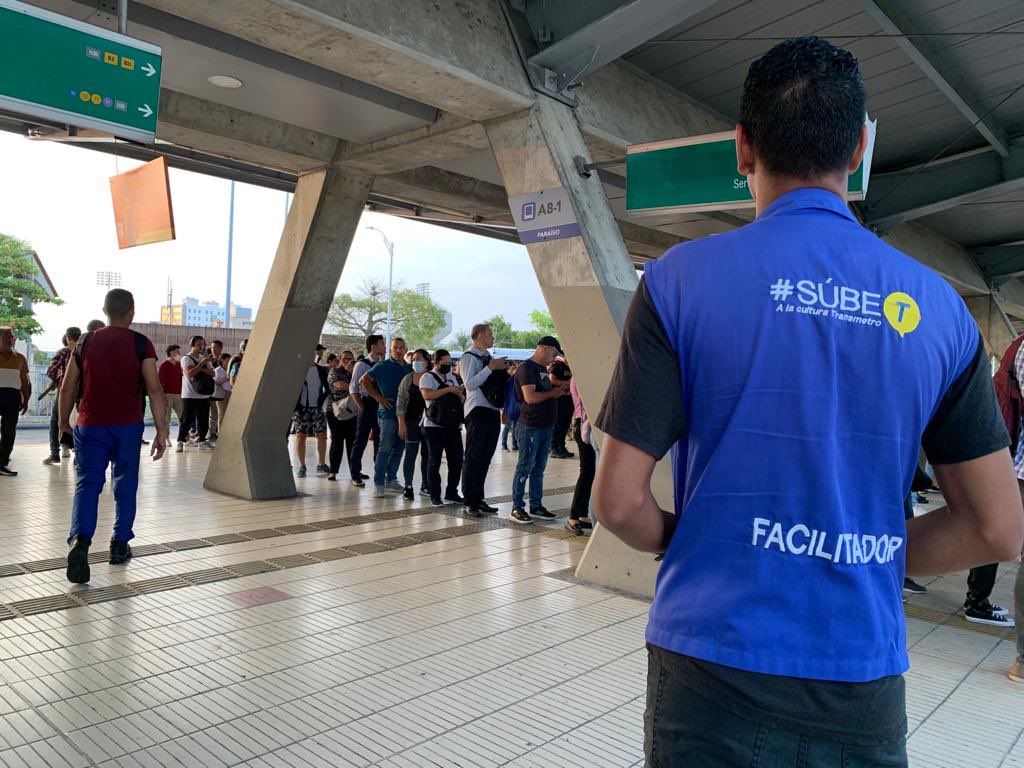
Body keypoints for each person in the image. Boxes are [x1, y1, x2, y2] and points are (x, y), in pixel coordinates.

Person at [591, 37, 1024, 767]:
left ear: (742, 147)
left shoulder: (678, 281)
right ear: (858, 148)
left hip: (710, 661)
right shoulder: (939, 310)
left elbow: (616, 503)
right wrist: (869, 556)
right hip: (859, 673)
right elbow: (998, 528)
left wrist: (694, 537)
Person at [58, 289, 169, 583]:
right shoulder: (140, 344)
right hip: (127, 427)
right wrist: (161, 430)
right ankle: (119, 545)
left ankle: (79, 541)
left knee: (88, 484)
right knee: (125, 484)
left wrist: (62, 424)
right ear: (131, 311)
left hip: (90, 424)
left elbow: (68, 387)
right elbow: (154, 390)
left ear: (104, 310)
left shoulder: (84, 341)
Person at [510, 337, 566, 524]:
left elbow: (544, 392)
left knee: (538, 469)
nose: (554, 358)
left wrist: (558, 390)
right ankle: (517, 507)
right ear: (543, 348)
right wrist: (554, 393)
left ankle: (536, 505)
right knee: (524, 467)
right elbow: (530, 397)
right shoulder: (527, 368)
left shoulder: (542, 369)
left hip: (545, 426)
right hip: (530, 426)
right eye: (553, 353)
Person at [459, 324, 507, 516]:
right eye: (489, 335)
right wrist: (490, 368)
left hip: (492, 409)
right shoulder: (468, 357)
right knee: (473, 456)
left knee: (486, 456)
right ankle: (469, 500)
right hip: (477, 409)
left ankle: (479, 498)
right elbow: (470, 384)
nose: (492, 338)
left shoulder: (489, 358)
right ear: (479, 336)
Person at [360, 337, 412, 497]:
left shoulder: (410, 368)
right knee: (385, 448)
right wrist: (378, 397)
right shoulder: (382, 366)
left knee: (398, 449)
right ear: (390, 349)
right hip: (388, 413)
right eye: (396, 347)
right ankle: (379, 483)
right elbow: (364, 381)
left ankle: (392, 479)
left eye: (402, 347)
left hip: (405, 415)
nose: (399, 350)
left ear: (405, 349)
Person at [420, 349, 465, 508]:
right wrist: (449, 389)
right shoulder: (427, 377)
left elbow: (459, 397)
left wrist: (460, 395)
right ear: (435, 362)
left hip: (452, 425)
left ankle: (452, 491)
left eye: (449, 363)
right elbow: (427, 395)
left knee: (457, 459)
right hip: (434, 426)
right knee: (434, 461)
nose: (447, 366)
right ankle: (434, 494)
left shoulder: (453, 377)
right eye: (444, 364)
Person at [42, 326, 82, 464]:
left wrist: (58, 378)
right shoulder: (84, 350)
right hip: (81, 392)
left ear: (68, 338)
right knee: (78, 423)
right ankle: (78, 456)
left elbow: (51, 370)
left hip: (65, 391)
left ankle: (55, 453)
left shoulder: (65, 351)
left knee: (56, 422)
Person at [396, 348, 432, 500]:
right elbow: (401, 403)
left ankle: (426, 485)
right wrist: (401, 423)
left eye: (420, 359)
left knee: (427, 455)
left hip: (429, 423)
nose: (416, 362)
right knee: (410, 454)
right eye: (414, 359)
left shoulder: (432, 378)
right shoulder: (408, 379)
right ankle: (408, 486)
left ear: (427, 360)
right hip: (411, 423)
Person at [349, 335, 384, 488]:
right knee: (361, 441)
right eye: (382, 344)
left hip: (380, 405)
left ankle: (379, 472)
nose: (384, 346)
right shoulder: (362, 364)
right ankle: (355, 474)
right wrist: (362, 407)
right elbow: (353, 389)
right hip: (367, 404)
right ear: (373, 346)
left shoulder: (382, 364)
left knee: (380, 440)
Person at [291, 353, 329, 477]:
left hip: (316, 407)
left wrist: (321, 401)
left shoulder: (321, 370)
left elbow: (327, 387)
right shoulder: (297, 370)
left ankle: (321, 464)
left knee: (322, 435)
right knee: (300, 436)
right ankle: (302, 466)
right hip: (301, 409)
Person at [566, 374, 595, 536]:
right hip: (583, 426)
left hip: (584, 426)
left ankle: (582, 514)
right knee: (587, 472)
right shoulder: (579, 378)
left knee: (590, 472)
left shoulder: (579, 377)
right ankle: (574, 515)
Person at [0, 327, 30, 477]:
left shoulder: (20, 358)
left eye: (11, 337)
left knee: (9, 432)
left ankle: (2, 462)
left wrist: (26, 399)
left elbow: (24, 380)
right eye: (6, 336)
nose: (10, 339)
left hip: (12, 397)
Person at [177, 335, 215, 452]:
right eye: (198, 344)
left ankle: (202, 440)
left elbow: (213, 373)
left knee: (203, 419)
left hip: (204, 394)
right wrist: (202, 364)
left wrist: (202, 366)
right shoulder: (186, 359)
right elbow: (190, 373)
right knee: (186, 419)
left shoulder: (204, 358)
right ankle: (181, 441)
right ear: (192, 344)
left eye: (202, 344)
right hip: (189, 395)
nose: (201, 346)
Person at [325, 351, 358, 482]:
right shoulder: (334, 372)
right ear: (339, 359)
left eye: (350, 359)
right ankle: (333, 471)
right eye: (344, 359)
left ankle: (355, 471)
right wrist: (354, 383)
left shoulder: (355, 372)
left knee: (352, 443)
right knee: (336, 442)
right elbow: (341, 386)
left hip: (352, 412)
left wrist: (351, 373)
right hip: (336, 412)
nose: (347, 361)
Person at [549, 359, 575, 460]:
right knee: (557, 424)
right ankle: (554, 448)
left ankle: (561, 447)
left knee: (565, 424)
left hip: (568, 399)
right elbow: (551, 379)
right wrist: (567, 383)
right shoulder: (558, 366)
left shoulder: (571, 367)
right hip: (559, 400)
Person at [158, 344, 184, 433]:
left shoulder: (180, 365)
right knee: (166, 418)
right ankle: (166, 437)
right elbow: (160, 382)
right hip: (167, 395)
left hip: (179, 394)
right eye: (178, 351)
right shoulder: (164, 365)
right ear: (171, 352)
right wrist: (162, 396)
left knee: (182, 417)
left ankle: (183, 436)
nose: (179, 353)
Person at [501, 362, 520, 451]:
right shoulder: (510, 381)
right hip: (509, 406)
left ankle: (514, 444)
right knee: (509, 425)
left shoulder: (513, 380)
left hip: (513, 405)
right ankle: (505, 444)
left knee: (514, 425)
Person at [207, 340, 224, 440]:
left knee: (220, 414)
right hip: (209, 390)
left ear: (220, 348)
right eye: (211, 347)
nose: (212, 349)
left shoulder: (224, 359)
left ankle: (218, 432)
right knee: (212, 413)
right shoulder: (208, 360)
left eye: (215, 347)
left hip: (221, 391)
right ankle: (211, 433)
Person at [212, 352, 232, 434]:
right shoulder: (217, 370)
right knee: (222, 415)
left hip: (230, 393)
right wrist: (226, 378)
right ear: (222, 360)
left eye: (230, 360)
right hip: (221, 395)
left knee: (229, 415)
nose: (228, 362)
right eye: (227, 360)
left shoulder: (230, 369)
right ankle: (220, 434)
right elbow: (216, 382)